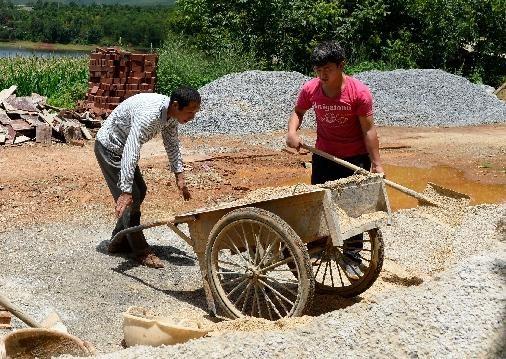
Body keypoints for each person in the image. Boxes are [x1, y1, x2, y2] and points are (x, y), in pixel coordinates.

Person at [286, 40, 384, 280]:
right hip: (323, 156)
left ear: (341, 66)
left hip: (354, 159)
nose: (322, 75)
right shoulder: (311, 89)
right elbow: (298, 112)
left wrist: (376, 164)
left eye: (327, 70)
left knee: (353, 209)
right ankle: (317, 247)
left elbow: (369, 130)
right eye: (318, 70)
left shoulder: (359, 93)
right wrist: (292, 132)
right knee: (319, 202)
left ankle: (352, 257)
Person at [94, 87, 201, 269]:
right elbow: (131, 149)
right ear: (176, 105)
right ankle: (141, 250)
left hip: (123, 150)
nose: (192, 117)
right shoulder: (149, 116)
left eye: (195, 112)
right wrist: (126, 190)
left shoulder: (171, 115)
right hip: (110, 148)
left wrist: (179, 174)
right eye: (190, 111)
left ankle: (118, 240)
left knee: (140, 191)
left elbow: (172, 143)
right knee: (132, 196)